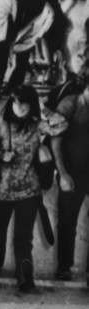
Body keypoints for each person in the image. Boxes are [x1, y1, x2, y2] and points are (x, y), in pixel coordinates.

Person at [0, 85, 43, 292]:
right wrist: (0, 155)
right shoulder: (1, 125)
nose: (21, 107)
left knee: (24, 237)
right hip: (1, 189)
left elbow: (61, 124)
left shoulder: (39, 127)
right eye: (16, 102)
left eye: (25, 103)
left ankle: (25, 277)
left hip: (29, 190)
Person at [49, 80, 89, 284]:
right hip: (72, 173)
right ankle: (65, 266)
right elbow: (55, 141)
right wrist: (62, 173)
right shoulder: (70, 104)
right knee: (67, 222)